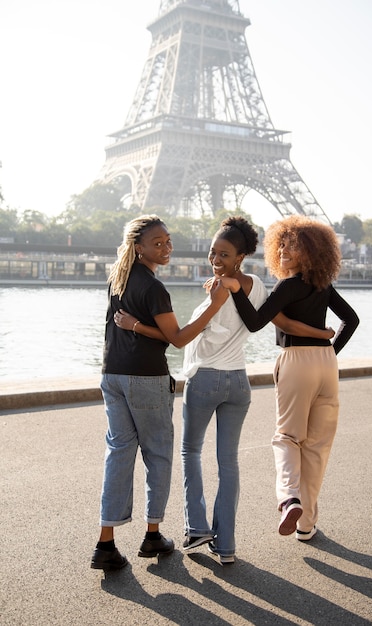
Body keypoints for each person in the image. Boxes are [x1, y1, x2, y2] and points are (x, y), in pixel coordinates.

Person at [114, 216, 335, 564]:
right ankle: (227, 546)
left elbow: (183, 335)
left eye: (224, 254)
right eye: (213, 252)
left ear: (241, 256)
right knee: (228, 462)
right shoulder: (258, 286)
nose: (216, 259)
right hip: (238, 382)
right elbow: (273, 321)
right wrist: (322, 334)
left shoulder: (220, 290)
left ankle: (197, 528)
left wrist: (136, 324)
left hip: (204, 380)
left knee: (190, 453)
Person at [91, 214, 229, 572]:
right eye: (158, 243)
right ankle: (153, 534)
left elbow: (134, 330)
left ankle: (106, 541)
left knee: (119, 455)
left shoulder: (117, 279)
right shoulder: (153, 288)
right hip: (146, 378)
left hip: (112, 375)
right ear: (139, 248)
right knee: (158, 455)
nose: (166, 248)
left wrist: (137, 326)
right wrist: (214, 306)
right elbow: (178, 338)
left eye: (168, 241)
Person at [219, 215, 359, 542]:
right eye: (280, 243)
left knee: (286, 437)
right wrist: (328, 352)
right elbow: (350, 320)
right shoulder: (323, 285)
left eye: (291, 245)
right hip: (326, 364)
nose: (282, 250)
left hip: (296, 360)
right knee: (317, 446)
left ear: (310, 252)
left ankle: (289, 497)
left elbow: (255, 322)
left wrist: (237, 289)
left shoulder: (289, 285)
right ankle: (306, 524)